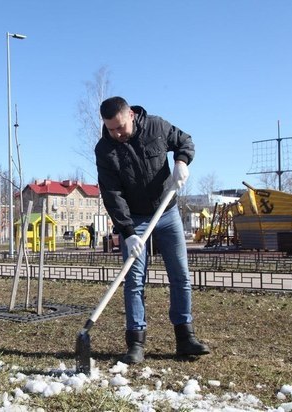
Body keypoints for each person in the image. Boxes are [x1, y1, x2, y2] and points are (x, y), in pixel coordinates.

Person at [95, 96, 210, 363]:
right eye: (111, 129)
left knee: (180, 275)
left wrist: (181, 161)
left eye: (120, 127)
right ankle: (136, 342)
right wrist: (128, 231)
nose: (117, 133)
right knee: (134, 280)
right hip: (135, 219)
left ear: (131, 116)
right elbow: (112, 194)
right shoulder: (105, 149)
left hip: (167, 212)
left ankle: (185, 338)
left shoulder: (156, 127)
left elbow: (185, 141)